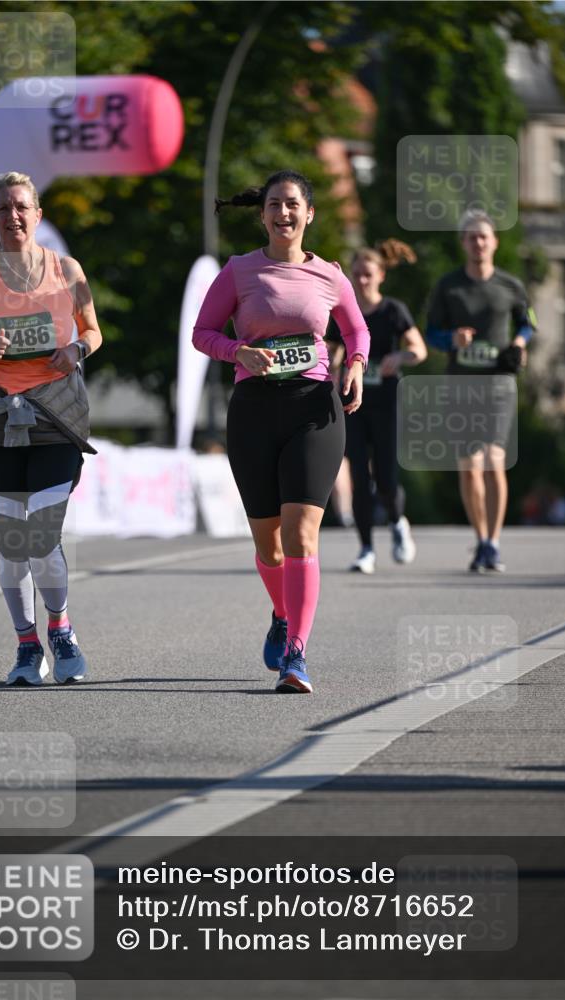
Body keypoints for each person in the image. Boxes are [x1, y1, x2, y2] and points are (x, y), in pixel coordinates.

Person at [192, 169, 369, 693]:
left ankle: (297, 653)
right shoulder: (239, 271)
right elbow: (202, 332)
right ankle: (282, 610)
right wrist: (236, 351)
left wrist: (355, 362)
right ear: (263, 214)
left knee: (301, 532)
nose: (283, 213)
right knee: (269, 544)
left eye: (293, 204)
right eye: (274, 205)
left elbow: (355, 327)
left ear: (309, 214)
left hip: (314, 407)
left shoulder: (331, 274)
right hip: (253, 410)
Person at [0, 171, 102, 685]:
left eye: (22, 207)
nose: (13, 217)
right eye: (3, 209)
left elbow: (92, 331)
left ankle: (60, 629)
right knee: (12, 543)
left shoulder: (66, 269)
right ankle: (25, 645)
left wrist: (75, 350)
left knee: (40, 533)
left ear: (38, 213)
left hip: (54, 411)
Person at [426, 210, 536, 573]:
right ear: (463, 243)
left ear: (494, 242)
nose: (478, 242)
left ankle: (494, 542)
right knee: (469, 467)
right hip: (461, 385)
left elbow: (528, 321)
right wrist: (450, 339)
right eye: (471, 237)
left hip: (499, 385)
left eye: (483, 236)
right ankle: (482, 539)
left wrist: (520, 342)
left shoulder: (509, 285)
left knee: (493, 462)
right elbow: (431, 334)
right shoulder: (448, 286)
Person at [327, 242, 427, 574]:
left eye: (368, 275)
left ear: (380, 276)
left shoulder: (392, 311)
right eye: (356, 275)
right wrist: (333, 365)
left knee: (385, 478)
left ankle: (398, 522)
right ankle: (366, 548)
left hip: (385, 403)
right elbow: (333, 350)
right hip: (352, 405)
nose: (362, 280)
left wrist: (400, 356)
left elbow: (419, 349)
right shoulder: (343, 310)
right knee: (358, 476)